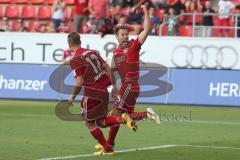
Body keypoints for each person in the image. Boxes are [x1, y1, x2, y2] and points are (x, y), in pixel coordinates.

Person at [95, 5, 160, 153]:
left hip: (130, 85)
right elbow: (111, 71)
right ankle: (110, 143)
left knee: (117, 115)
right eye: (122, 34)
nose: (125, 36)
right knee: (123, 116)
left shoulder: (134, 46)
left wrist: (145, 11)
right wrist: (112, 88)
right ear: (117, 37)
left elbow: (146, 30)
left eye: (126, 34)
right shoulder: (116, 53)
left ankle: (110, 143)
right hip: (127, 87)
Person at [67, 32, 137, 155]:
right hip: (104, 91)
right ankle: (121, 120)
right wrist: (114, 86)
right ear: (80, 41)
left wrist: (72, 96)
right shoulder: (92, 52)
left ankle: (108, 147)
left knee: (89, 122)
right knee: (100, 122)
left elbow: (79, 81)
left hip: (91, 93)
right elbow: (107, 68)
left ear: (69, 44)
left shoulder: (75, 59)